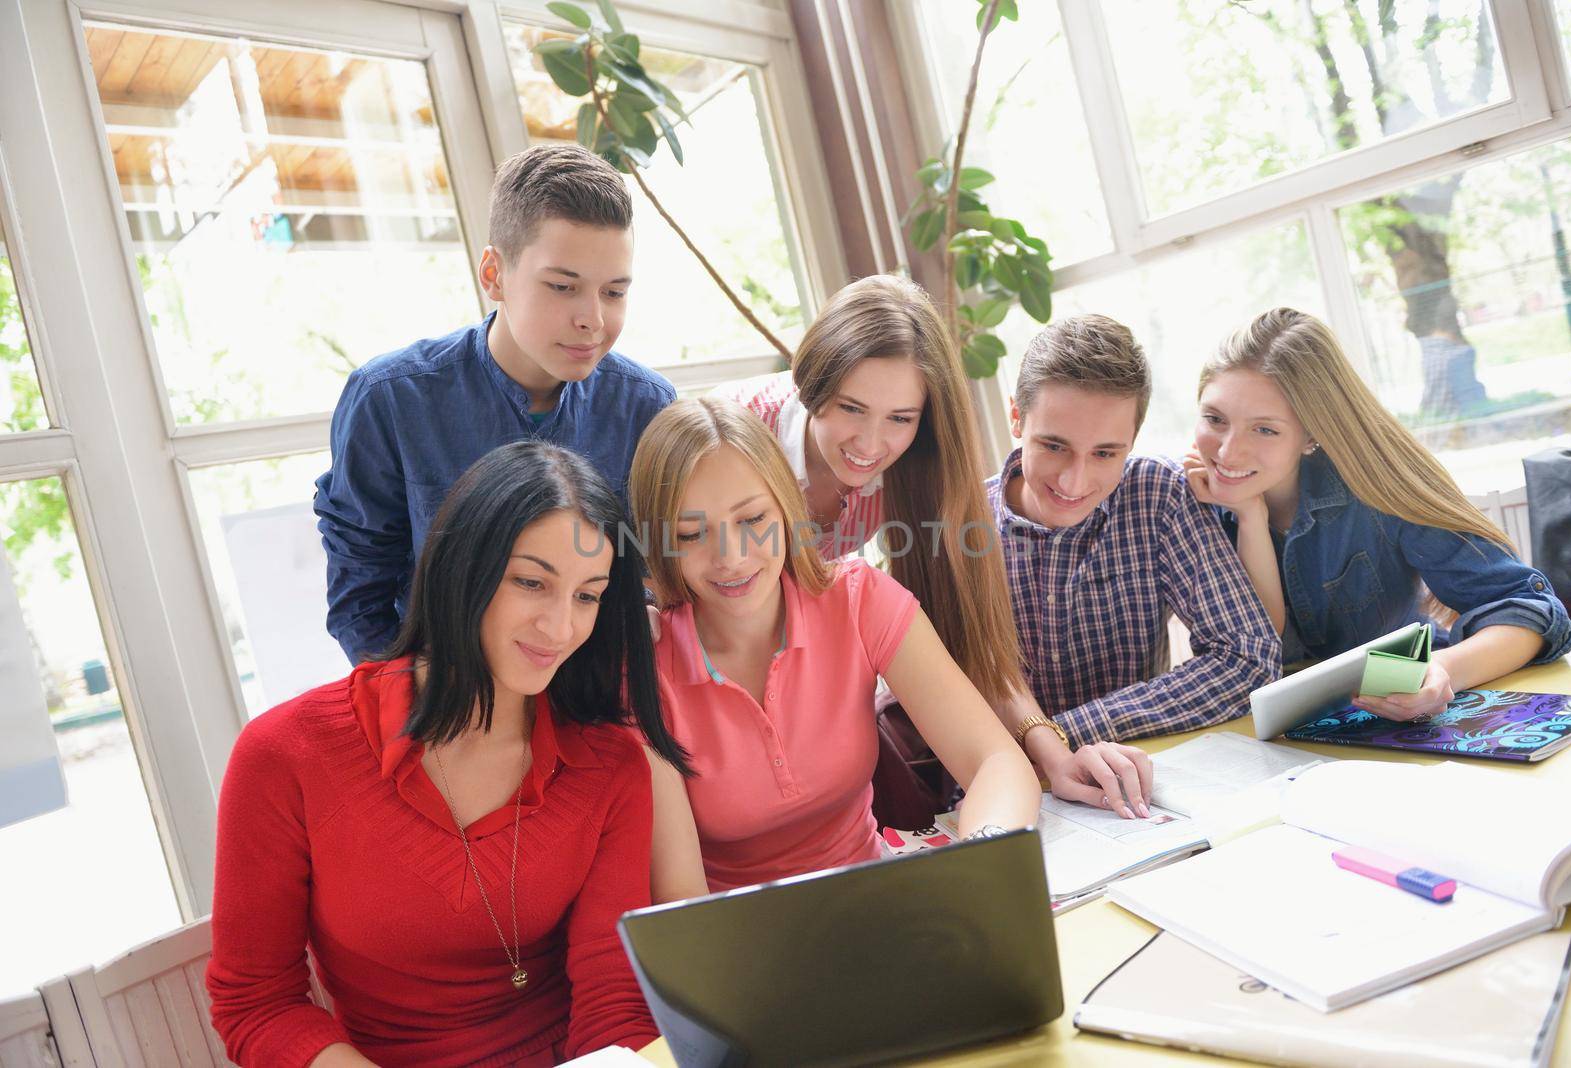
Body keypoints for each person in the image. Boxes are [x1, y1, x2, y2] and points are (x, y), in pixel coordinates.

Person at [208, 442, 686, 1067]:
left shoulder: (609, 764)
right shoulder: (284, 755)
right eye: (531, 582)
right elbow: (256, 1003)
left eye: (587, 596)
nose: (560, 627)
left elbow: (610, 1003)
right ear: (462, 567)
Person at [628, 397, 1041, 901]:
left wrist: (986, 855)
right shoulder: (644, 671)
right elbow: (683, 905)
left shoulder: (859, 599)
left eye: (752, 519)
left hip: (880, 902)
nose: (731, 558)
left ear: (785, 506)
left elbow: (996, 762)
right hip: (739, 944)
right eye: (691, 534)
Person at [314, 143, 675, 664]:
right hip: (446, 706)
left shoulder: (648, 408)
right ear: (494, 275)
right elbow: (360, 597)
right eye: (562, 286)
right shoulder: (390, 400)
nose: (592, 319)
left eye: (614, 293)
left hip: (598, 698)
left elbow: (654, 575)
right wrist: (428, 712)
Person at [1183, 307, 1571, 721]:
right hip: (1278, 744)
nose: (1227, 452)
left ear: (1312, 434)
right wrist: (1249, 516)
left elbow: (1531, 611)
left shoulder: (1373, 483)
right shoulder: (1190, 502)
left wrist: (1441, 669)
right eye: (1215, 419)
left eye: (1265, 429)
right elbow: (1265, 654)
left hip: (1403, 720)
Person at [714, 275, 1022, 712]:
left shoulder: (916, 460)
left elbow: (966, 627)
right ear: (811, 385)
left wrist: (1044, 738)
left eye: (899, 418)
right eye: (851, 408)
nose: (870, 446)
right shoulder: (736, 437)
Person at [988, 315, 1281, 763]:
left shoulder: (1157, 495)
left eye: (1105, 453)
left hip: (1140, 772)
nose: (1074, 480)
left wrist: (1060, 735)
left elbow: (1248, 659)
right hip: (1001, 780)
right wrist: (1041, 750)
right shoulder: (956, 522)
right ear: (1016, 417)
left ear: (1132, 441)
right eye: (1054, 445)